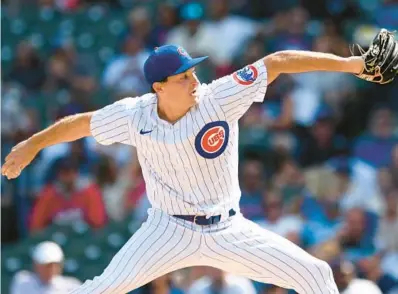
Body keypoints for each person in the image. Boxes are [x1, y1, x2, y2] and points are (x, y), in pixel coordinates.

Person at [2, 43, 369, 293]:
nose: (194, 81)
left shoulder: (219, 98)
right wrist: (32, 144)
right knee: (102, 288)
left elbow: (277, 62)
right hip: (168, 230)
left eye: (193, 72)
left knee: (316, 274)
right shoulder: (136, 115)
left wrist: (350, 65)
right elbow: (82, 123)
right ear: (159, 87)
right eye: (183, 77)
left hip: (228, 228)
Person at [10, 241, 81, 294]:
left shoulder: (72, 286)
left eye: (54, 265)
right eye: (46, 266)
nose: (51, 269)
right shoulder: (22, 281)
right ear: (36, 265)